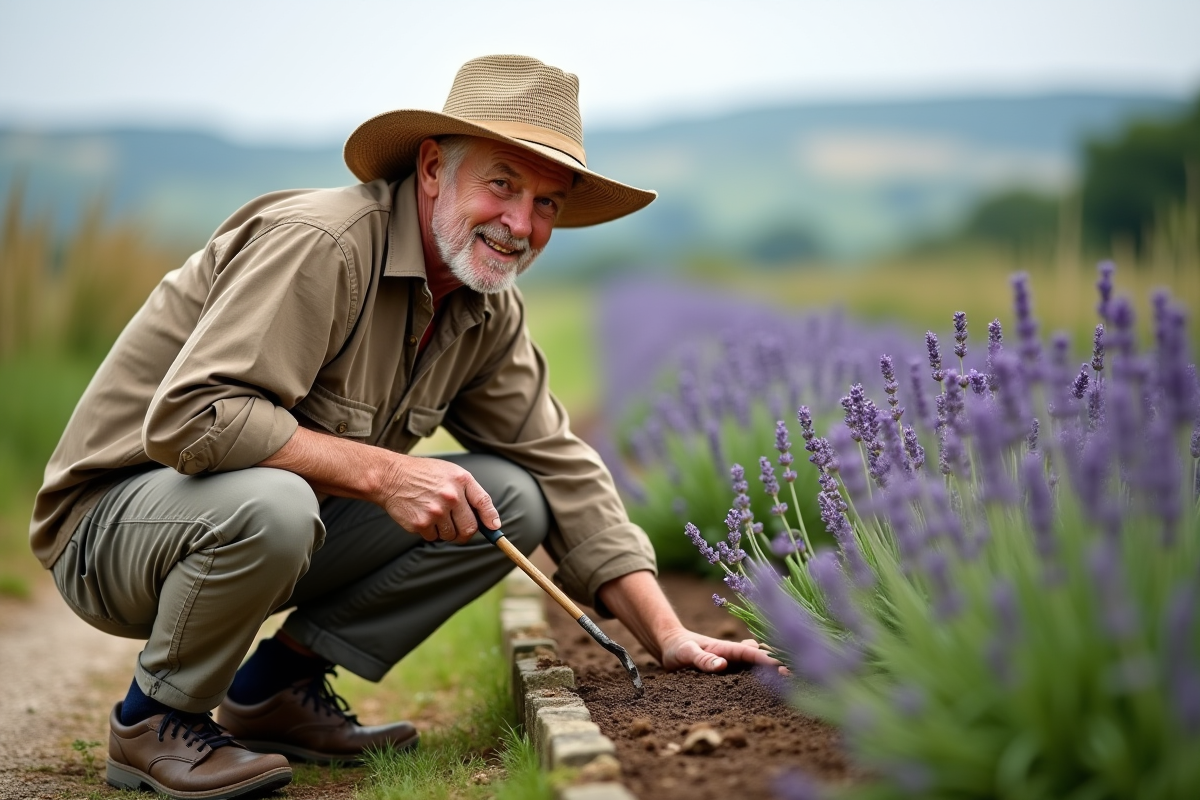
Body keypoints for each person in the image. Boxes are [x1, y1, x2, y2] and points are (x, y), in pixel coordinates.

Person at [30, 54, 777, 799]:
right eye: (502, 185)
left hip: (262, 527)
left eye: (546, 203)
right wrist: (387, 473)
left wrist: (666, 634)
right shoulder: (323, 246)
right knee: (276, 503)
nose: (521, 225)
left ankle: (275, 691)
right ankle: (152, 722)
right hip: (115, 529)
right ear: (430, 168)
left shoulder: (486, 308)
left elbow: (556, 461)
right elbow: (196, 417)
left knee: (510, 495)